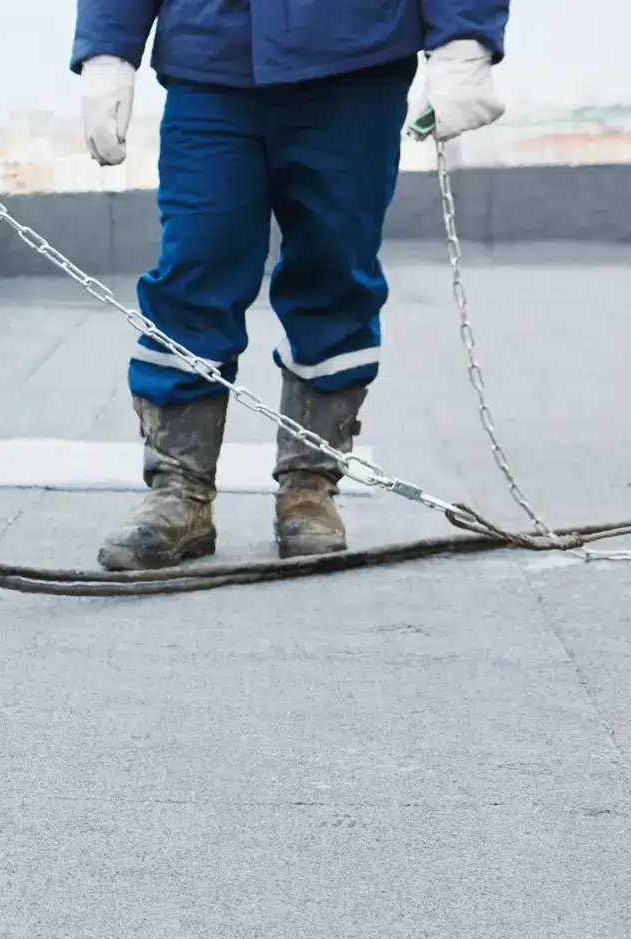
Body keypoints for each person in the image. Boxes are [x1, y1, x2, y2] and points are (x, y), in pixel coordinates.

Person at [72, 0, 509, 569]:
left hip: (353, 63)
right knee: (195, 264)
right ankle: (178, 490)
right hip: (212, 60)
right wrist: (108, 49)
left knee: (334, 273)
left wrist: (464, 41)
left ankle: (309, 485)